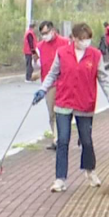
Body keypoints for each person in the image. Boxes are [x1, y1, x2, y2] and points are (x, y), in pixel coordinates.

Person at [33, 23, 109, 192]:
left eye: (88, 39)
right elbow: (52, 73)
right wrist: (43, 89)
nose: (85, 42)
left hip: (84, 103)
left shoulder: (95, 55)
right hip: (64, 102)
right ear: (73, 38)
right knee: (62, 140)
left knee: (86, 140)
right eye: (81, 39)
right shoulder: (63, 53)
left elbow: (103, 78)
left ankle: (90, 171)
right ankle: (60, 179)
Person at [36, 20, 69, 150]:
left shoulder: (65, 43)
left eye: (46, 32)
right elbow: (38, 64)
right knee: (52, 113)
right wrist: (35, 61)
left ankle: (61, 138)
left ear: (52, 30)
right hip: (48, 83)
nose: (45, 36)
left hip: (64, 82)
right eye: (42, 34)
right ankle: (57, 139)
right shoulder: (39, 47)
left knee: (63, 111)